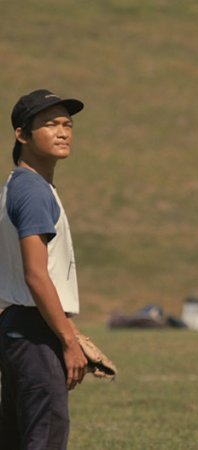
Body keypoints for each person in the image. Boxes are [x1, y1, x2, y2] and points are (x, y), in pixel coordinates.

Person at [0, 89, 88, 449]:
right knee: (44, 438)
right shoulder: (33, 191)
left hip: (22, 327)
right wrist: (68, 340)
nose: (63, 131)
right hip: (35, 334)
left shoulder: (20, 186)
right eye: (50, 124)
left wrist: (67, 328)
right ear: (22, 134)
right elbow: (35, 274)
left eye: (67, 124)